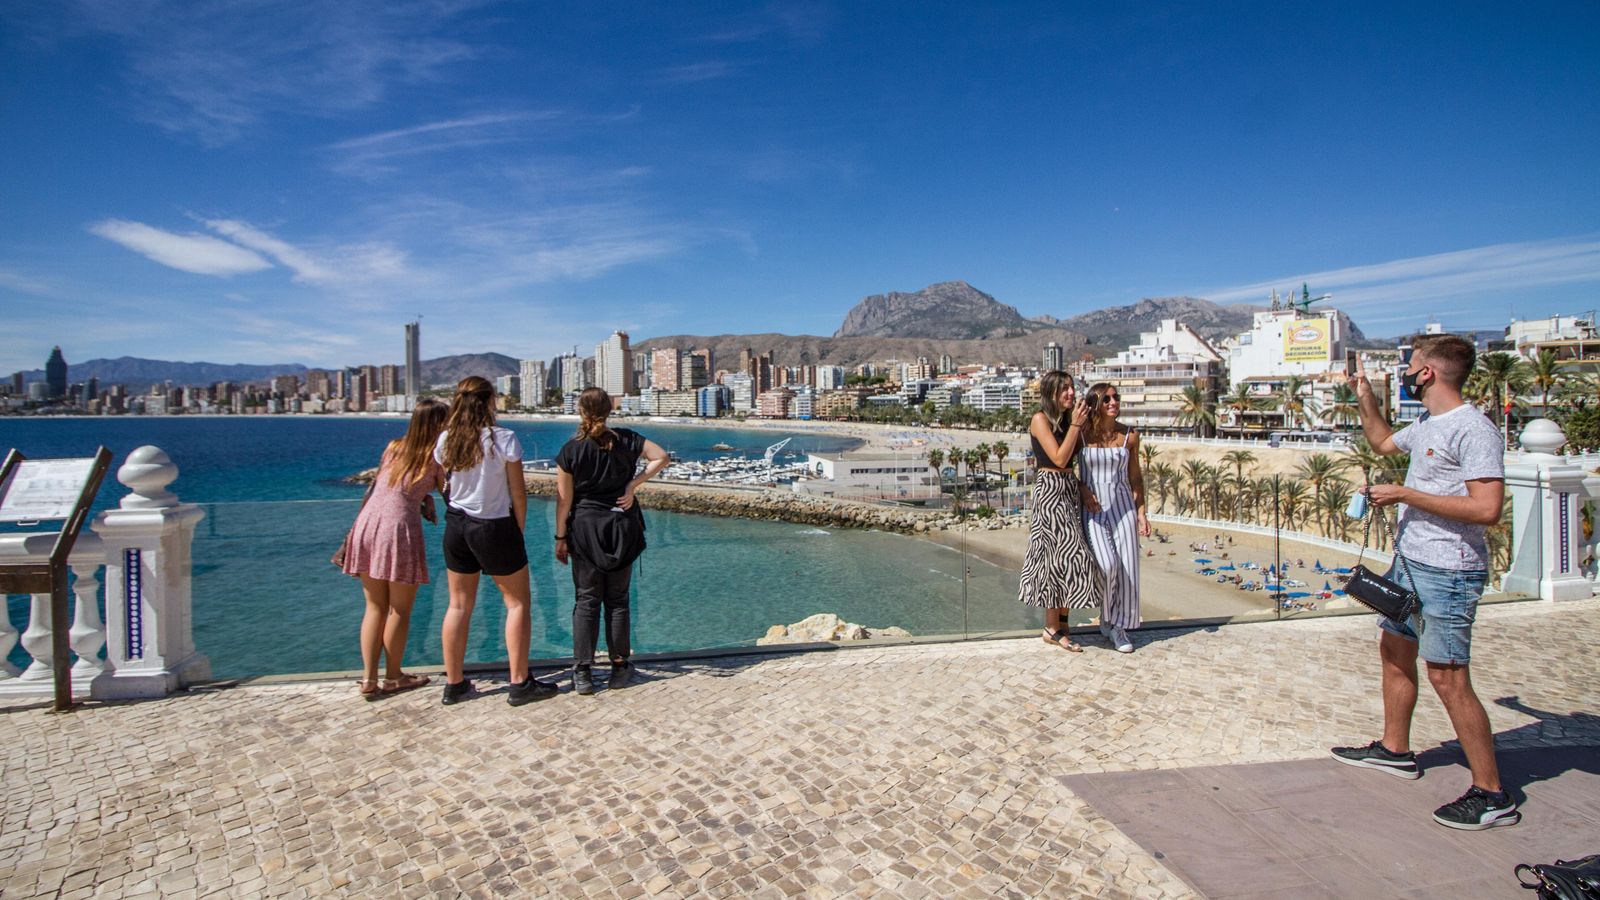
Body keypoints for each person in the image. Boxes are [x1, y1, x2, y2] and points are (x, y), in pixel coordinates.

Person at [1331, 336, 1517, 830]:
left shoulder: (1473, 430)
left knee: (1449, 678)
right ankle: (1395, 750)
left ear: (1428, 373)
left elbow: (1487, 509)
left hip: (1449, 571)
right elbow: (1382, 443)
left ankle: (1492, 793)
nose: (1408, 373)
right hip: (1410, 562)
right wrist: (1364, 394)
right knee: (1394, 653)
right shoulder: (1428, 424)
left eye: (1411, 366)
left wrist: (1405, 493)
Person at [434, 376, 558, 707]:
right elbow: (518, 492)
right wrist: (517, 531)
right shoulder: (503, 439)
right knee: (517, 604)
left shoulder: (447, 439)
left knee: (458, 604)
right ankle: (519, 683)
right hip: (493, 526)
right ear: (490, 402)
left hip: (456, 525)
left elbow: (445, 483)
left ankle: (454, 684)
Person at [554, 388, 669, 694]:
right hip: (622, 527)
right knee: (617, 601)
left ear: (581, 411)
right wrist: (633, 486)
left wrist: (560, 537)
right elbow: (662, 457)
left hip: (584, 530)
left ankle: (583, 672)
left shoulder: (571, 450)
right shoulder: (628, 439)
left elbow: (564, 502)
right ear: (609, 410)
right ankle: (619, 667)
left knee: (586, 600)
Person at [340, 398, 447, 699]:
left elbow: (384, 486)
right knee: (399, 609)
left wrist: (422, 498)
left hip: (366, 525)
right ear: (439, 424)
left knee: (374, 607)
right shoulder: (435, 457)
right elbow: (451, 493)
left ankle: (368, 678)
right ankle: (394, 676)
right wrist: (427, 498)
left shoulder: (393, 447)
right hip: (398, 531)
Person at [1018, 371, 1101, 651]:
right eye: (1064, 389)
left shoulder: (1068, 422)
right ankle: (1052, 627)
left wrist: (1080, 486)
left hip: (1066, 489)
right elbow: (1058, 458)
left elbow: (1068, 466)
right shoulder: (1039, 419)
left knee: (1068, 557)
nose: (1070, 393)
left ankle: (1060, 623)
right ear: (1051, 393)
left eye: (1072, 388)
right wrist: (1077, 425)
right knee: (1059, 557)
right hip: (1050, 492)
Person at [1079, 384, 1150, 653]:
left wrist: (1141, 512)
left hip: (1123, 507)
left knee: (1128, 566)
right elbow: (1066, 469)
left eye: (1115, 397)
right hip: (1093, 508)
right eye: (1106, 398)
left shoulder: (1130, 435)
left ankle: (1116, 625)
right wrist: (1082, 488)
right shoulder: (1082, 434)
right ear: (1095, 403)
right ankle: (1107, 616)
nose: (1113, 401)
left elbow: (1135, 476)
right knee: (1108, 565)